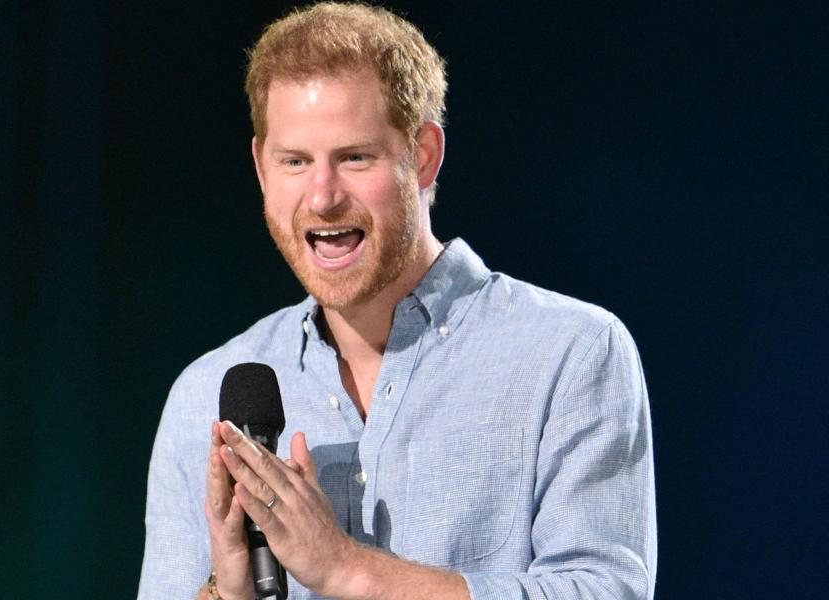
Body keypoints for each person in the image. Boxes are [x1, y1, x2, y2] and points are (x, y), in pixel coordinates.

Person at [138, 3, 657, 599]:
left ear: (424, 155)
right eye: (295, 162)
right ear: (261, 168)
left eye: (354, 157)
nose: (323, 196)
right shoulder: (204, 393)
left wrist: (345, 569)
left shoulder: (570, 353)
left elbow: (605, 591)